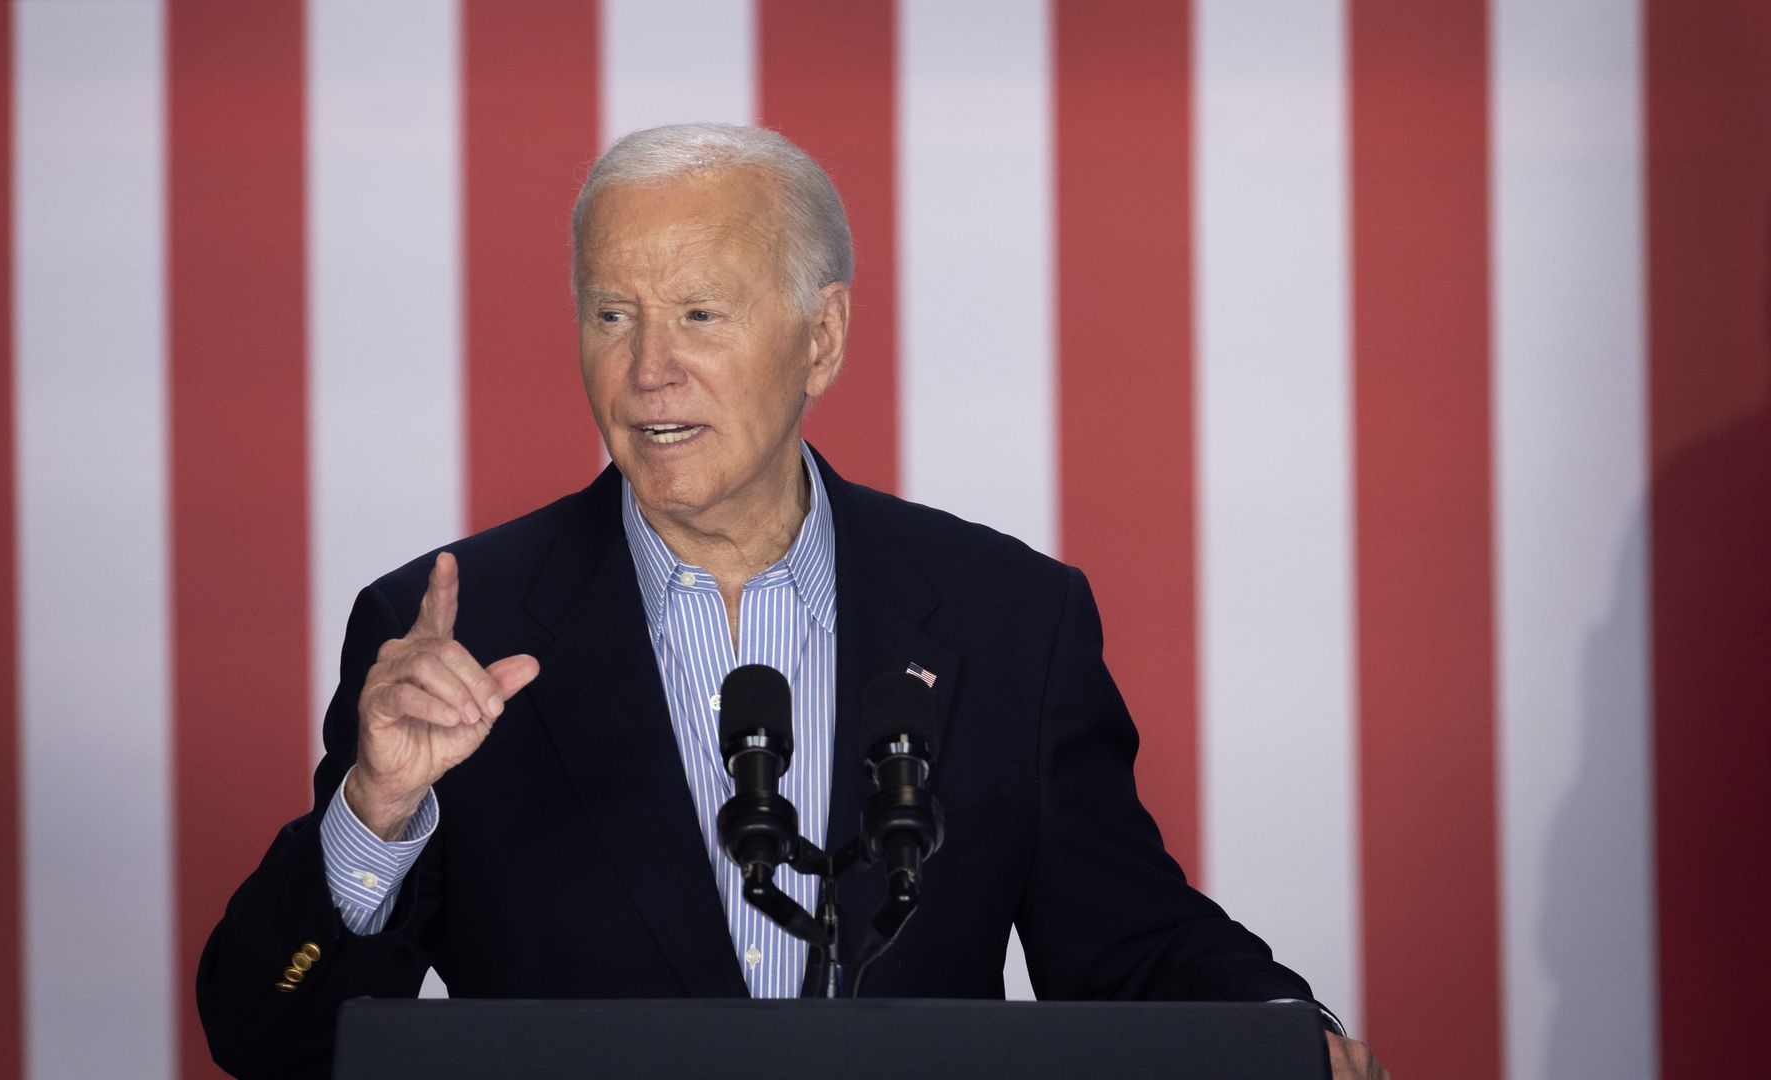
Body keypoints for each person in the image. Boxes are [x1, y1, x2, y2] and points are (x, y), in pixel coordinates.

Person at [197, 123, 1390, 1080]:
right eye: (613, 315)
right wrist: (380, 808)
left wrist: (1286, 1033)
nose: (649, 368)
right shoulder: (451, 631)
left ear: (819, 340)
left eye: (700, 316)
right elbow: (271, 1041)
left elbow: (1126, 943)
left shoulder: (1005, 621)